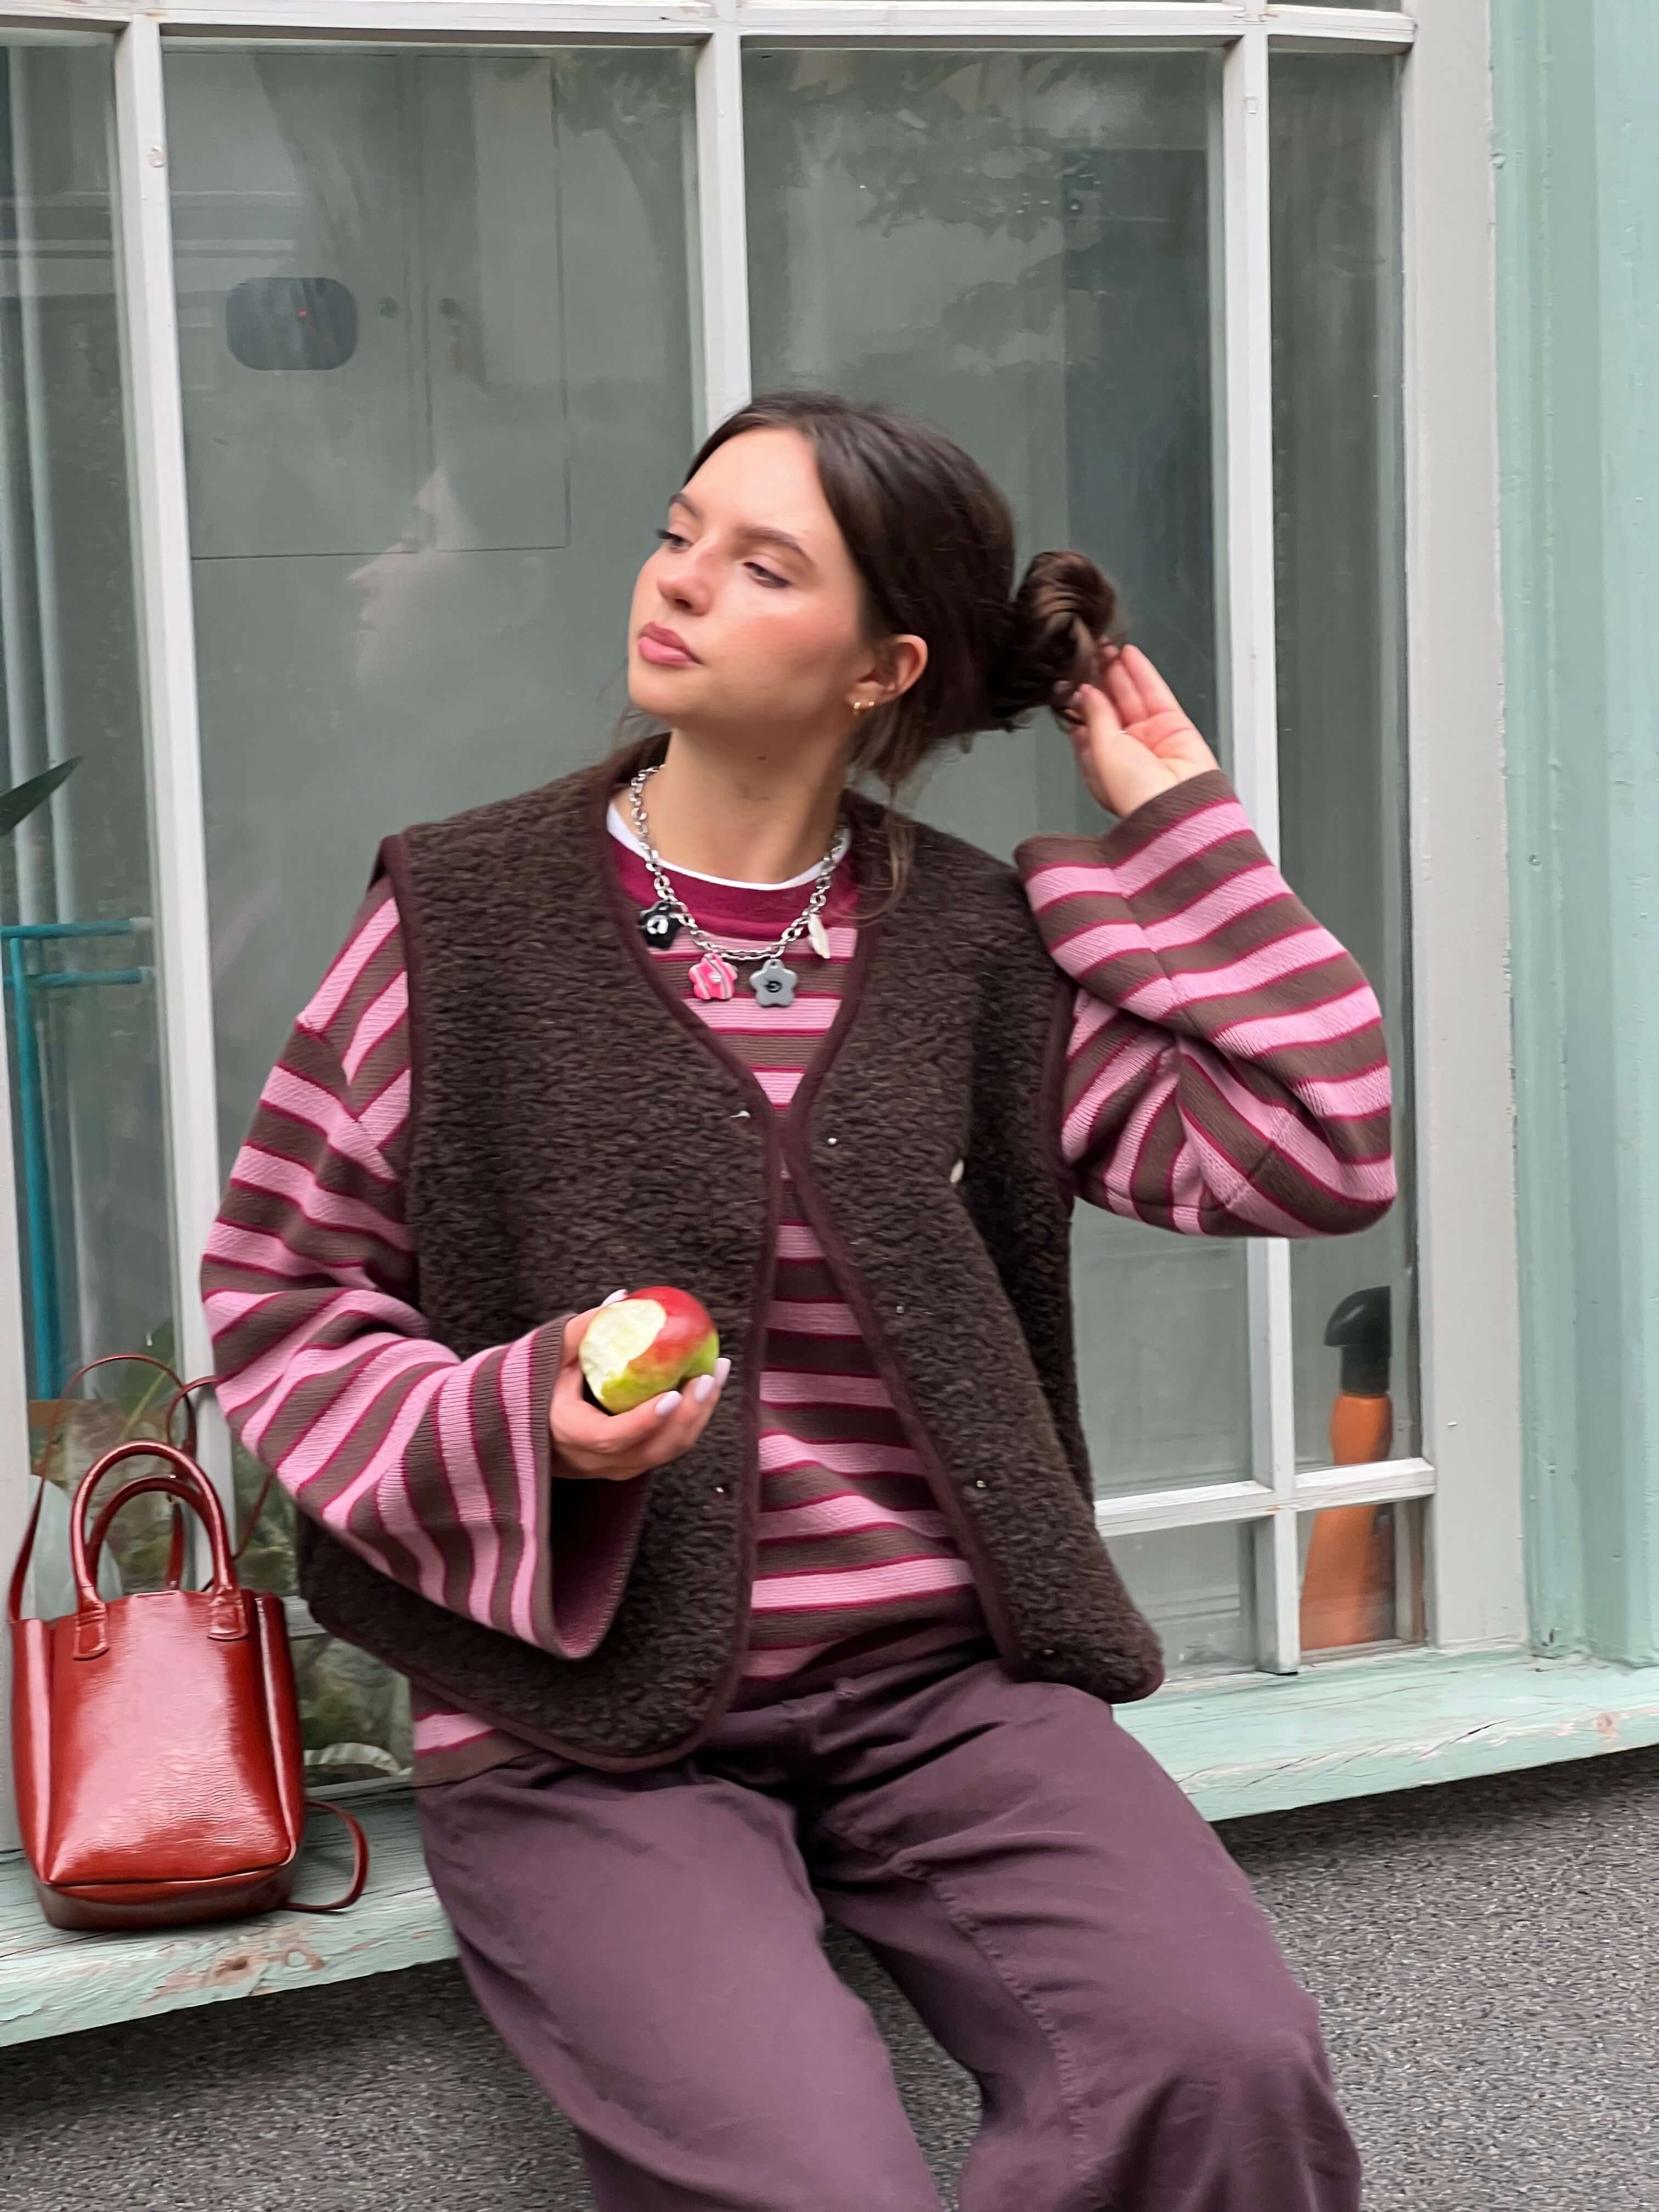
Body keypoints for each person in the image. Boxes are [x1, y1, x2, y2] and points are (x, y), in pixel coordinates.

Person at [205, 392, 1390, 2211]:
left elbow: (1315, 1151)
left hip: (945, 1693)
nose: (677, 581)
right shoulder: (462, 918)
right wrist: (528, 1417)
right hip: (585, 1727)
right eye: (683, 531)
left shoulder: (978, 948)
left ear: (878, 668)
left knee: (1221, 2069)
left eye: (763, 566)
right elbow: (283, 1292)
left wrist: (1182, 832)